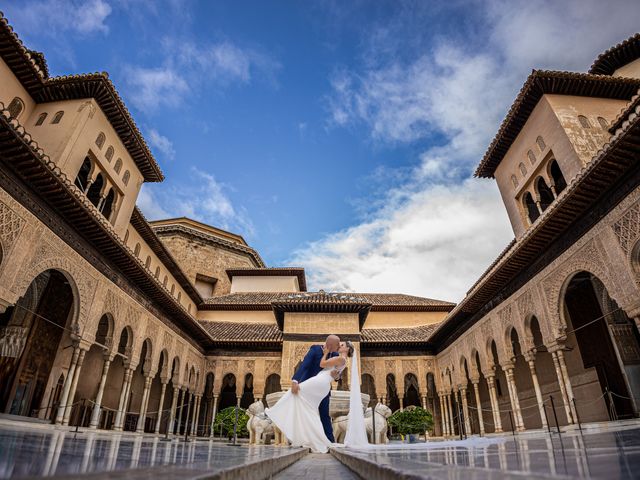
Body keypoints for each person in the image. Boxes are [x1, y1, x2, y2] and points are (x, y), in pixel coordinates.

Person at [266, 338, 354, 453]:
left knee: (324, 414)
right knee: (306, 408)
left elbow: (337, 372)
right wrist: (295, 380)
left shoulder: (337, 354)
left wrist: (336, 377)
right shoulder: (315, 349)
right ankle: (306, 437)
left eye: (340, 345)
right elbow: (305, 365)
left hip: (322, 386)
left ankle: (329, 441)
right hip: (312, 384)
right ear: (329, 344)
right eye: (337, 344)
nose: (338, 346)